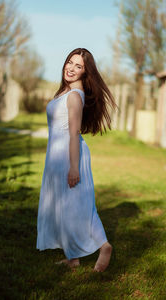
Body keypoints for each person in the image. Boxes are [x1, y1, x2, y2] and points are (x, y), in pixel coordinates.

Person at [36, 48, 117, 272]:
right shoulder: (67, 90)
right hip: (57, 155)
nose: (71, 68)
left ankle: (104, 246)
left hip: (68, 156)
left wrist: (73, 168)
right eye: (70, 63)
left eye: (78, 66)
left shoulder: (74, 95)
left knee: (77, 206)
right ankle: (73, 258)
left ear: (85, 72)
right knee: (65, 206)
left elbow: (73, 133)